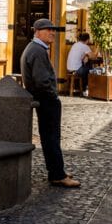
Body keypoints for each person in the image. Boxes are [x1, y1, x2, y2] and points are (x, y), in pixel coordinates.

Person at [21, 18, 80, 188]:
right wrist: (53, 95)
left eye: (53, 30)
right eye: (48, 30)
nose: (52, 33)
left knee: (49, 137)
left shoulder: (35, 48)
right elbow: (41, 81)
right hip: (46, 100)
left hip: (43, 99)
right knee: (52, 137)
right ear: (37, 32)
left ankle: (56, 170)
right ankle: (57, 174)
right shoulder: (37, 51)